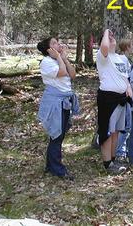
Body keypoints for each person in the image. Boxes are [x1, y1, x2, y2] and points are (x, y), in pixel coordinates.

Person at [37, 37, 78, 180]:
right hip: (55, 102)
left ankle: (51, 164)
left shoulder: (58, 60)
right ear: (49, 49)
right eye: (54, 43)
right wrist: (59, 58)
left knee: (60, 133)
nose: (58, 44)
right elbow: (61, 73)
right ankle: (57, 168)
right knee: (57, 134)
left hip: (64, 101)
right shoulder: (47, 62)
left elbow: (72, 74)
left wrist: (64, 59)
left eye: (58, 42)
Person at [96, 29, 133, 174]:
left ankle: (113, 159)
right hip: (107, 99)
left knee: (116, 131)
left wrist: (128, 87)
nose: (111, 38)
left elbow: (125, 76)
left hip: (121, 99)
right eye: (108, 37)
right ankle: (107, 163)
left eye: (112, 36)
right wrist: (106, 31)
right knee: (107, 131)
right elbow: (104, 47)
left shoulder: (120, 58)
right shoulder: (102, 56)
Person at [115, 39, 133, 162]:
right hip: (122, 97)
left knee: (125, 125)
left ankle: (122, 150)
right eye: (132, 45)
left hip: (125, 97)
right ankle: (120, 152)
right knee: (125, 126)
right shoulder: (122, 60)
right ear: (127, 47)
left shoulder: (126, 60)